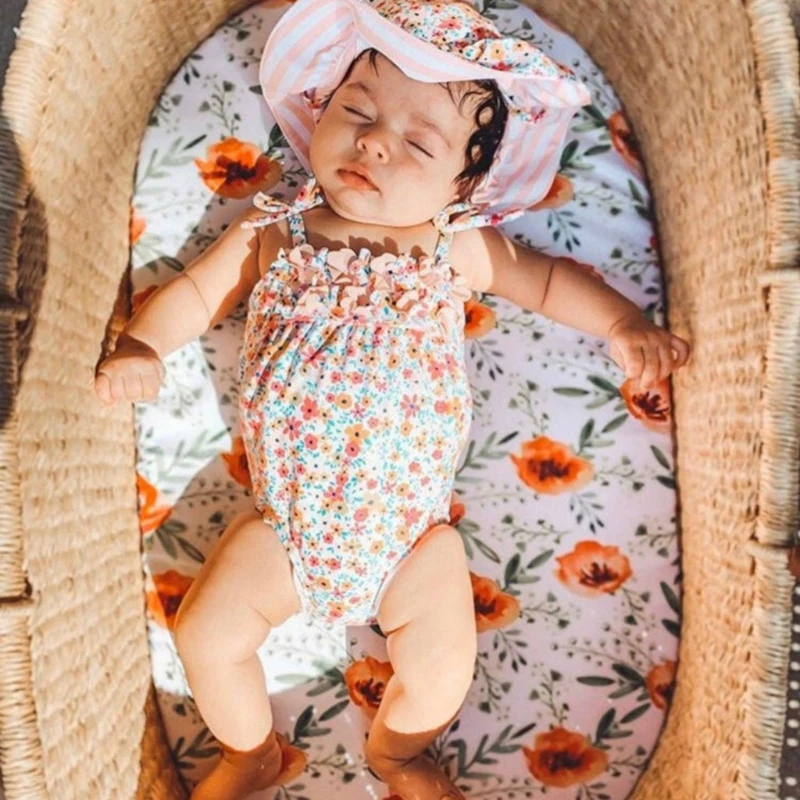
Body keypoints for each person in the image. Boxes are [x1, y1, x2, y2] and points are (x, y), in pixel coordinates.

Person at [93, 0, 691, 797]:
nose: (375, 141)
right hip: (286, 528)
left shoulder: (454, 247)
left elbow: (547, 281)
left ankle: (398, 753)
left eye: (417, 143)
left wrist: (622, 322)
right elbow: (199, 294)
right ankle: (248, 752)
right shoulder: (277, 227)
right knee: (205, 632)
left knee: (442, 664)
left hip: (413, 540)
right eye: (357, 112)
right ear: (319, 113)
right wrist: (142, 343)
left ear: (463, 184)